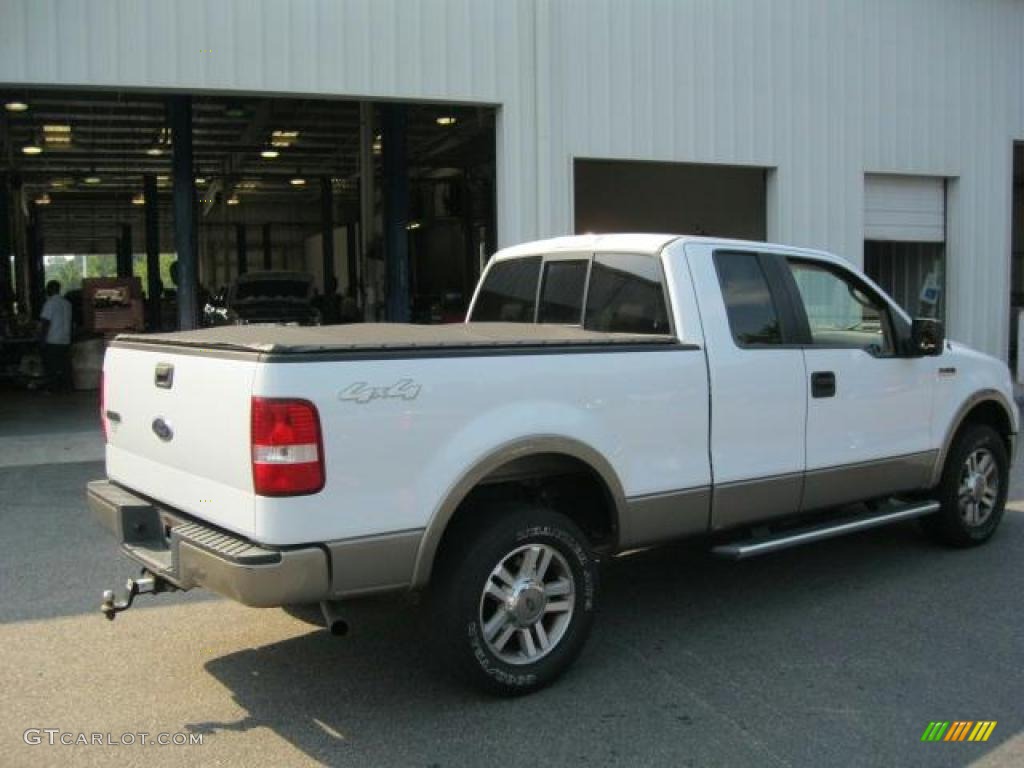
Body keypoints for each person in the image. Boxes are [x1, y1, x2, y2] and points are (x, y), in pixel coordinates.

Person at [39, 280, 72, 392]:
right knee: (64, 366)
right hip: (65, 340)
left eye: (48, 289)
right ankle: (66, 387)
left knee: (51, 366)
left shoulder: (50, 303)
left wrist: (42, 339)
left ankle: (52, 388)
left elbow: (45, 322)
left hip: (52, 340)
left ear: (51, 289)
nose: (46, 291)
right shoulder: (67, 304)